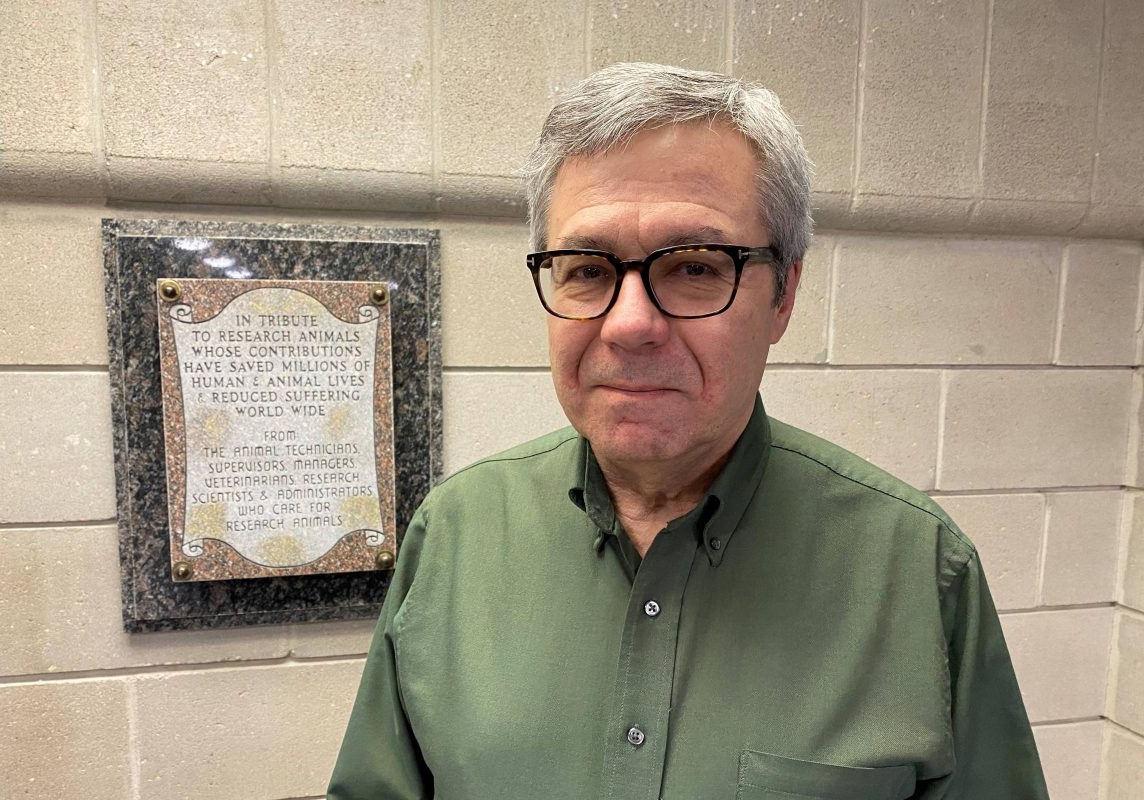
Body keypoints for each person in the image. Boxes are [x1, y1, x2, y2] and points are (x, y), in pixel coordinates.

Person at [325, 62, 1048, 800]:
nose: (630, 323)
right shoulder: (452, 536)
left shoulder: (921, 570)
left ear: (784, 296)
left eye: (696, 267)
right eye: (585, 269)